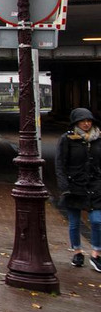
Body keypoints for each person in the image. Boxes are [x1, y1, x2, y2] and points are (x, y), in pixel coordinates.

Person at [55, 107, 101, 271]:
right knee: (74, 222)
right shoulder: (67, 139)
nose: (87, 124)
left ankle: (96, 253)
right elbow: (60, 164)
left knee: (97, 220)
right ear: (76, 123)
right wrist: (64, 187)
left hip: (95, 185)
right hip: (74, 185)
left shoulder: (98, 139)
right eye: (83, 121)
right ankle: (77, 251)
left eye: (89, 121)